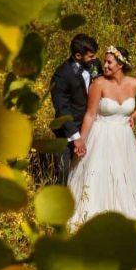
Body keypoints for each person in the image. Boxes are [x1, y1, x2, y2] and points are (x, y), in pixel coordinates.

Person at [67, 44, 136, 227]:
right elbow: (90, 115)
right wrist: (81, 140)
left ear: (120, 64)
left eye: (109, 62)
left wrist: (133, 116)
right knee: (99, 175)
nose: (104, 65)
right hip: (101, 136)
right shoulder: (99, 84)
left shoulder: (134, 84)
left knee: (124, 174)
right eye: (105, 61)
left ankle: (123, 210)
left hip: (123, 137)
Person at [48, 34, 99, 185]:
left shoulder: (95, 64)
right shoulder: (61, 75)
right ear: (78, 55)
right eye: (90, 56)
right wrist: (76, 137)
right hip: (68, 129)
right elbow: (62, 109)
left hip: (92, 125)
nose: (94, 59)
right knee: (64, 169)